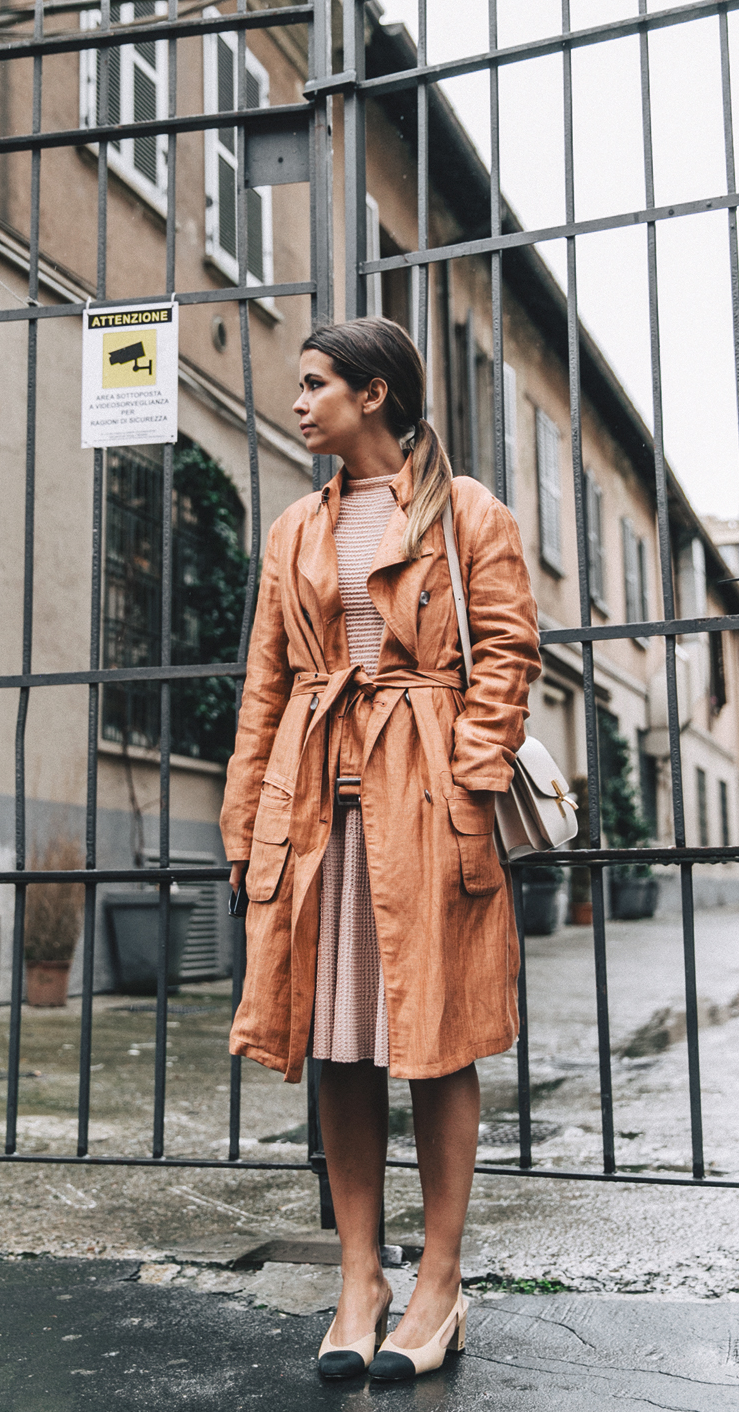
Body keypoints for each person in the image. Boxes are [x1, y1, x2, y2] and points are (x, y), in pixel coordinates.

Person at [221, 317, 540, 1381]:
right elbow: (265, 686)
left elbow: (507, 649)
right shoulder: (291, 532)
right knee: (337, 1042)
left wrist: (475, 770)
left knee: (439, 1046)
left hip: (428, 808)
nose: (298, 402)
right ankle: (360, 1279)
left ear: (374, 395)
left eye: (315, 385)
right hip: (318, 810)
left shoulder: (468, 514)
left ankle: (438, 1286)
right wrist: (244, 824)